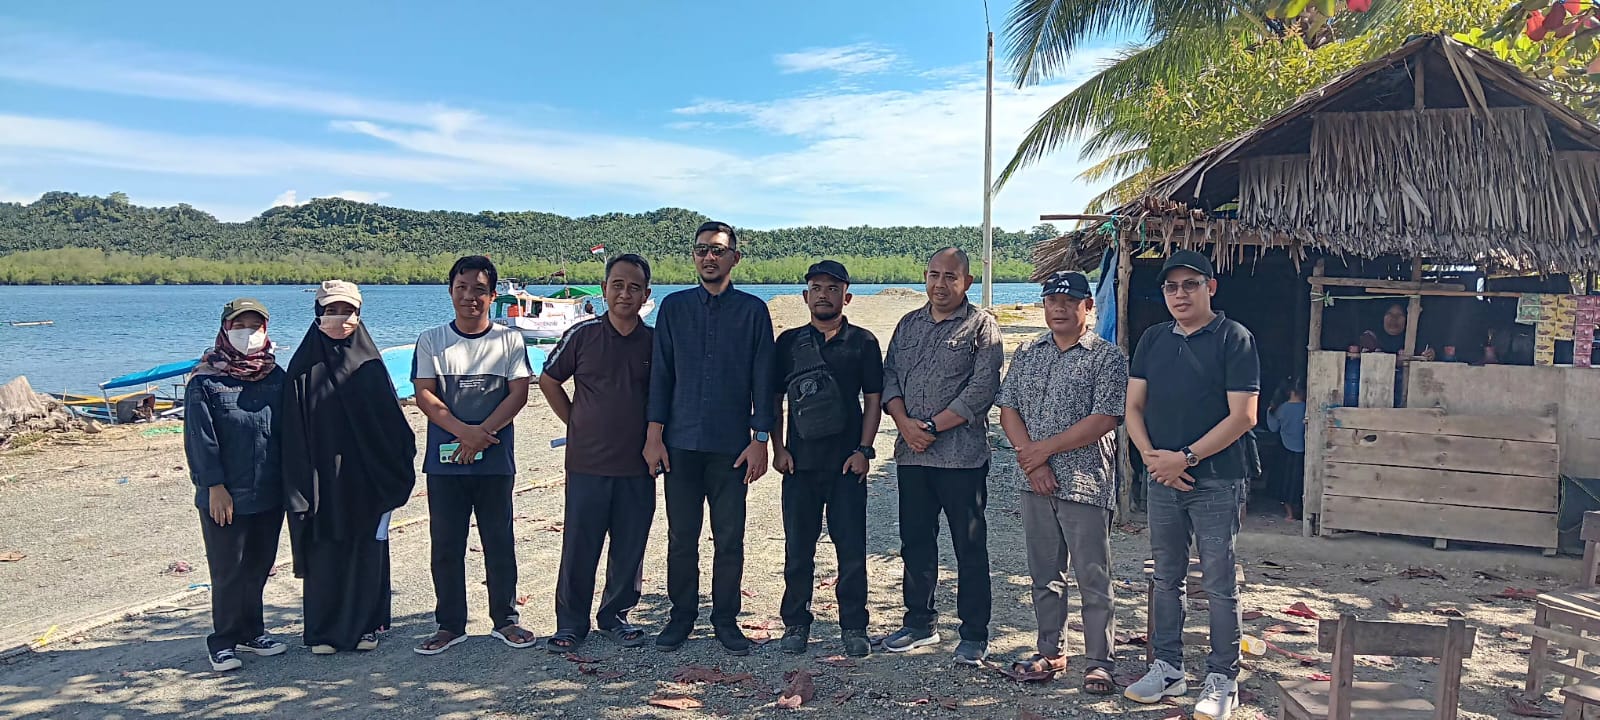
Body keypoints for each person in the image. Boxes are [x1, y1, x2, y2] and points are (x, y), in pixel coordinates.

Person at [1124, 250, 1260, 720]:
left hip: (1217, 479)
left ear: (1210, 288)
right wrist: (1151, 458)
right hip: (1163, 477)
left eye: (1190, 285)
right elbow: (1133, 408)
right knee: (1166, 577)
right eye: (1171, 287)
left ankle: (1223, 677)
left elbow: (1243, 416)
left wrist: (1185, 457)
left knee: (1219, 581)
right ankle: (1167, 666)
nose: (1179, 294)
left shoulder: (1234, 337)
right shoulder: (1153, 339)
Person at [644, 221, 777, 655]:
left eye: (718, 250)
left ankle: (725, 619)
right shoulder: (674, 308)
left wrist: (761, 439)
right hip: (680, 444)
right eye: (702, 250)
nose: (709, 257)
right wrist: (654, 436)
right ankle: (681, 615)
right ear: (694, 256)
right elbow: (661, 376)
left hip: (731, 447)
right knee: (681, 538)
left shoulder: (753, 312)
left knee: (729, 539)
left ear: (734, 257)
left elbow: (763, 380)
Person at [996, 271, 1127, 694]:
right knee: (1044, 575)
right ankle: (1050, 651)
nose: (1059, 308)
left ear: (1088, 306)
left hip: (1085, 482)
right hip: (1035, 481)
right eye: (1052, 301)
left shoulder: (1107, 357)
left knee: (1093, 577)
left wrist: (1043, 450)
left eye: (1069, 302)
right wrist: (1032, 462)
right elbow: (1009, 409)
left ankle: (1099, 661)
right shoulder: (1028, 352)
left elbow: (1105, 418)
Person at [880, 247, 1003, 665]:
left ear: (967, 282)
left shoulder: (981, 326)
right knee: (915, 542)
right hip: (912, 456)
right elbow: (890, 376)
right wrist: (904, 424)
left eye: (950, 276)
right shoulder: (908, 324)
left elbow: (983, 388)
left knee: (969, 546)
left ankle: (974, 633)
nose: (940, 284)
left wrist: (932, 427)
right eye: (934, 275)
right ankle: (919, 622)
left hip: (961, 458)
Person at [281, 280, 416, 654]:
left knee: (364, 549)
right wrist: (298, 487)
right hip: (319, 481)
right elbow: (291, 432)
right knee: (324, 551)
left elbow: (394, 428)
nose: (340, 318)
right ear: (318, 314)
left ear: (359, 314)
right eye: (332, 311)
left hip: (366, 480)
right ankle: (323, 631)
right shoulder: (302, 368)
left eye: (348, 311)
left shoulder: (370, 365)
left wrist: (392, 474)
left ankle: (367, 626)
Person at [412, 255, 538, 655]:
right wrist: (463, 433)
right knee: (446, 543)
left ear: (493, 295)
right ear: (450, 292)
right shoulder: (432, 340)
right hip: (445, 461)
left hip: (495, 459)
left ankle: (505, 619)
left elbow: (518, 393)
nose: (470, 297)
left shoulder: (509, 340)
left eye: (479, 290)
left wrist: (482, 434)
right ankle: (449, 624)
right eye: (462, 288)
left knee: (498, 540)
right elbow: (425, 394)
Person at [538, 254, 656, 652]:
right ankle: (571, 623)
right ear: (604, 289)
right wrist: (574, 421)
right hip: (586, 462)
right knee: (580, 545)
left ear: (646, 295)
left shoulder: (655, 342)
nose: (625, 294)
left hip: (638, 465)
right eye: (617, 285)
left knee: (629, 546)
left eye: (634, 287)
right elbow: (549, 380)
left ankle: (615, 615)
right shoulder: (582, 335)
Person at [771, 260, 883, 659]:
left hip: (846, 466)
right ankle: (795, 623)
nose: (824, 295)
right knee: (798, 549)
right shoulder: (788, 343)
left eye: (833, 288)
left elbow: (874, 400)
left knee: (851, 550)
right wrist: (778, 448)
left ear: (846, 297)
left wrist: (864, 450)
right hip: (799, 465)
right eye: (817, 288)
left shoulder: (864, 342)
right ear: (805, 296)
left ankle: (854, 625)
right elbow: (774, 399)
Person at [184, 297, 288, 672]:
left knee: (259, 565)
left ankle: (252, 631)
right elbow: (200, 439)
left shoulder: (275, 376)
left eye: (255, 326)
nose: (248, 333)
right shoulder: (206, 380)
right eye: (239, 326)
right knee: (228, 569)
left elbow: (287, 432)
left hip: (269, 491)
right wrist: (214, 486)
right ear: (225, 330)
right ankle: (223, 640)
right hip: (225, 494)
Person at [1266, 378, 1307, 522]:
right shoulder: (1307, 408)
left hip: (1285, 449)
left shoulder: (1281, 408)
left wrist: (1269, 412)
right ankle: (1302, 510)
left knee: (1286, 482)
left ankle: (1289, 514)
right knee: (1300, 481)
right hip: (1304, 450)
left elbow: (1273, 428)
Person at [1358, 302, 1433, 360]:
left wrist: (1429, 355)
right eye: (1389, 314)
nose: (1394, 318)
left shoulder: (1415, 340)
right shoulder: (1370, 337)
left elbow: (1424, 356)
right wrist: (1397, 361)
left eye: (1399, 315)